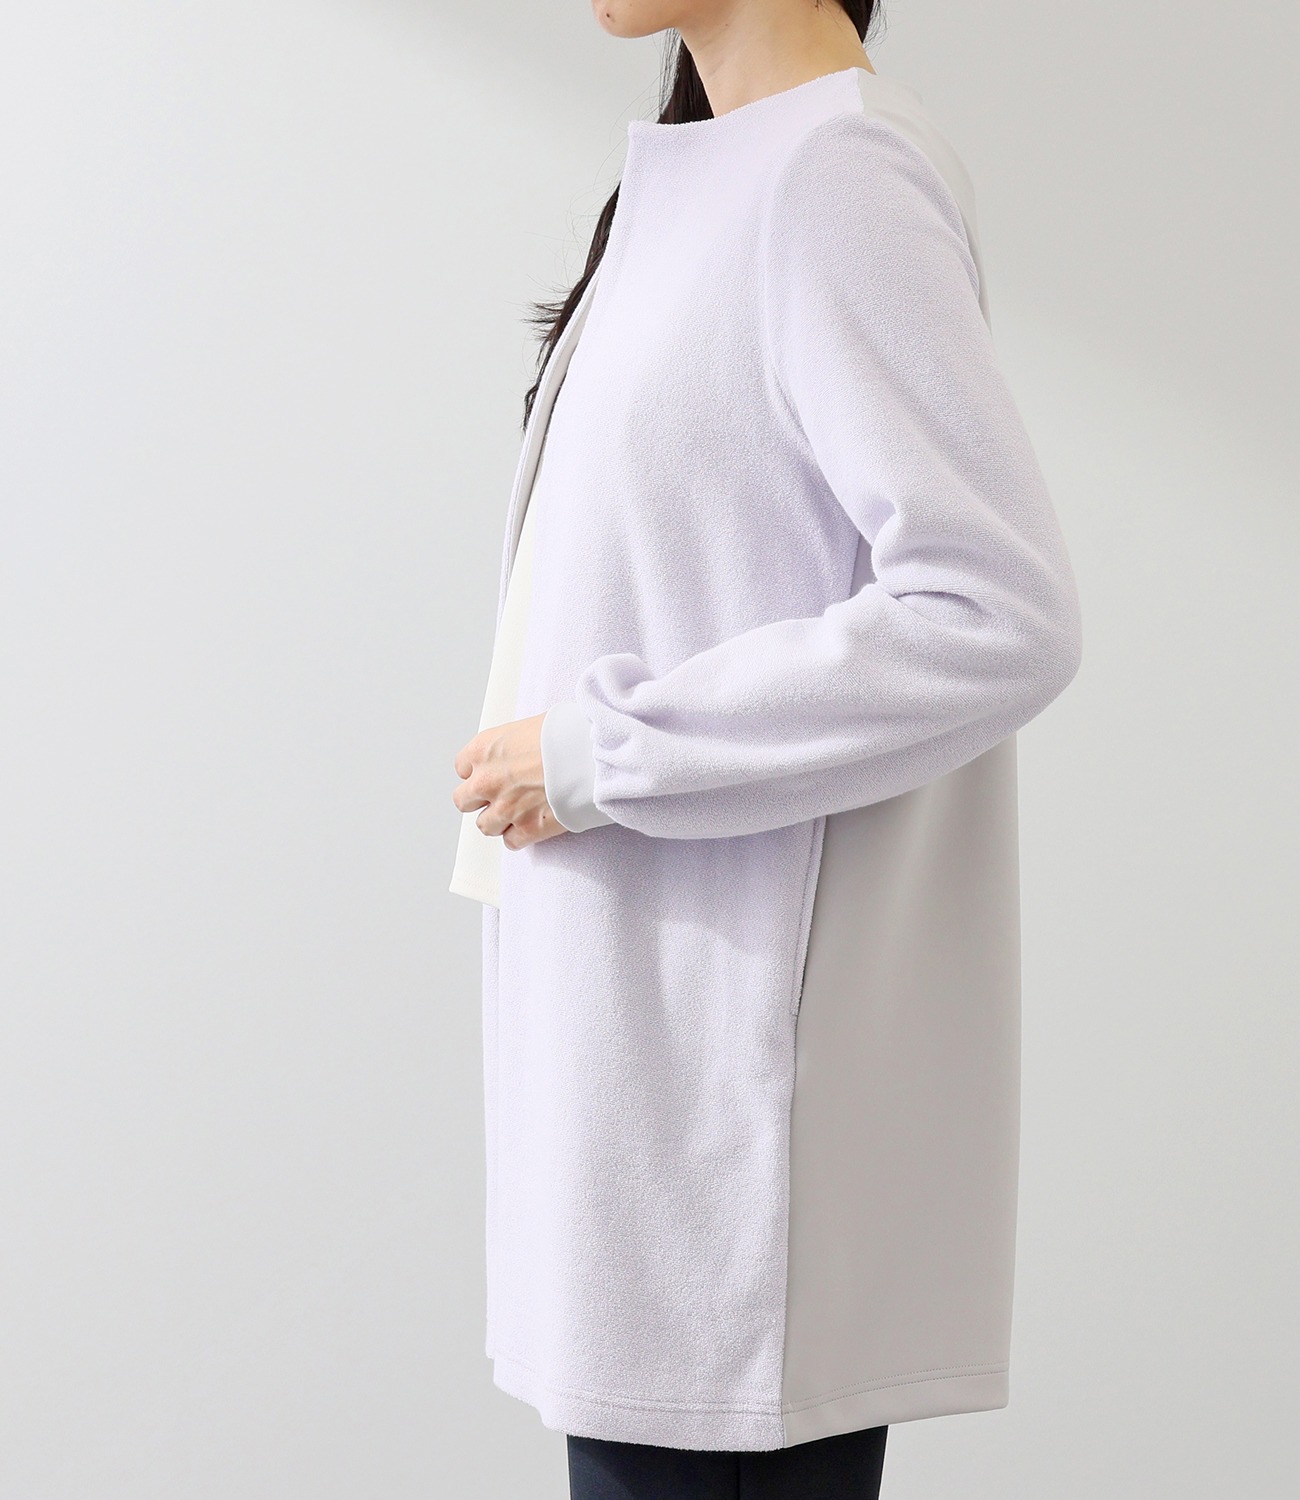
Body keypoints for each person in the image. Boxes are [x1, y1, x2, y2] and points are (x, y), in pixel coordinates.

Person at [449, 1, 1084, 1495]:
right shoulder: (709, 175)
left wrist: (601, 751)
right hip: (634, 1078)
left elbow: (997, 611)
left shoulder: (840, 177)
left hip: (727, 1120)